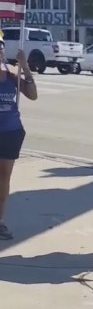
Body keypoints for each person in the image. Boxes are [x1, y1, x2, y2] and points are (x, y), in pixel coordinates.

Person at [0, 39, 36, 240]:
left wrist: (26, 68)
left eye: (1, 47)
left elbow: (32, 95)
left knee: (3, 178)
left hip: (10, 131)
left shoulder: (12, 72)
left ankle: (0, 221)